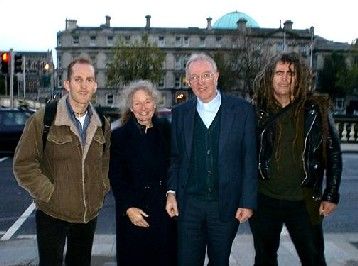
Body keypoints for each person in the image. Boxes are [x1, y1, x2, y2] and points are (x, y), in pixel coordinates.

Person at [13, 58, 111, 266]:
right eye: (78, 79)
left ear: (95, 85)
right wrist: (49, 193)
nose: (84, 85)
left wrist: (101, 188)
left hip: (87, 216)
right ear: (67, 84)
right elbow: (23, 164)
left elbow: (104, 162)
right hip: (52, 214)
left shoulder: (102, 123)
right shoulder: (44, 119)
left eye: (89, 79)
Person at [250, 52, 342, 266]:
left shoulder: (316, 109)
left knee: (314, 258)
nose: (284, 78)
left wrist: (331, 194)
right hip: (264, 199)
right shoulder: (257, 112)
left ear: (299, 78)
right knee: (264, 259)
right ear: (269, 77)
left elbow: (334, 154)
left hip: (304, 199)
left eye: (290, 73)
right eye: (279, 72)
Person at [165, 53, 257, 266]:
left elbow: (249, 158)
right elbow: (175, 158)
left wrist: (247, 201)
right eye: (194, 77)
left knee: (219, 260)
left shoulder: (241, 110)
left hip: (225, 205)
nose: (200, 82)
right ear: (188, 81)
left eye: (206, 75)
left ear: (217, 76)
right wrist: (171, 193)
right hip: (189, 205)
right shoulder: (180, 113)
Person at [109, 80, 177, 266]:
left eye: (147, 101)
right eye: (137, 103)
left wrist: (172, 193)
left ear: (155, 103)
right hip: (133, 213)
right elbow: (116, 177)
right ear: (131, 107)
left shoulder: (167, 131)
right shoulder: (119, 136)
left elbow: (175, 165)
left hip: (163, 212)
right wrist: (128, 208)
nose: (143, 108)